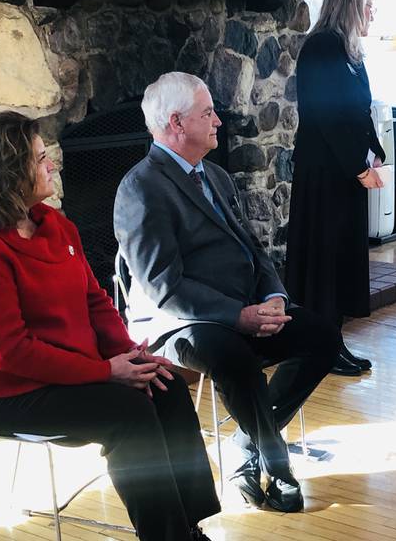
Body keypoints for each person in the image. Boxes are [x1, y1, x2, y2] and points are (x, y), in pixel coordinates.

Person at [0, 112, 219, 541]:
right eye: (40, 158)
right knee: (127, 413)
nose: (52, 165)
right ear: (9, 172)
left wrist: (131, 355)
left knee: (164, 384)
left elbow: (94, 301)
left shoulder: (55, 225)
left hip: (64, 369)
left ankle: (188, 527)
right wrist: (107, 372)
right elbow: (8, 352)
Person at [114, 72, 341, 513]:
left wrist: (274, 297)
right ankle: (274, 462)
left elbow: (253, 248)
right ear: (177, 123)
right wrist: (239, 316)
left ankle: (249, 441)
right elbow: (164, 286)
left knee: (324, 337)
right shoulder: (141, 188)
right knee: (232, 356)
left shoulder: (214, 175)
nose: (219, 120)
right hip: (178, 323)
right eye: (208, 112)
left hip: (242, 307)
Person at [285, 0, 385, 376]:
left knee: (343, 259)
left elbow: (360, 111)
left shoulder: (350, 50)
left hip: (345, 171)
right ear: (349, 6)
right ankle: (321, 347)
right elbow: (326, 116)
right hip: (324, 173)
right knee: (324, 260)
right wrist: (358, 166)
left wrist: (375, 152)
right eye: (368, 5)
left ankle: (334, 341)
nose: (373, 13)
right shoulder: (322, 47)